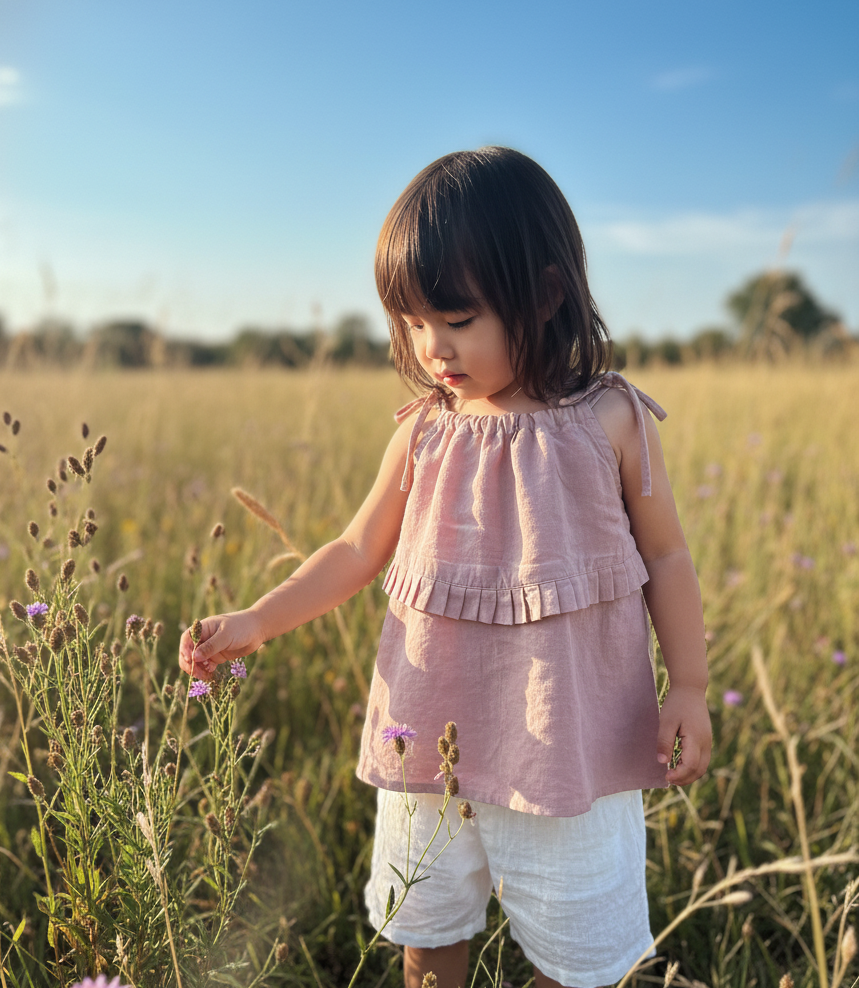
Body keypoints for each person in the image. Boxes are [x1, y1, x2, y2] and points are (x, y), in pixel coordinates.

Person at [178, 146, 712, 988]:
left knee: (580, 957)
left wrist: (687, 685)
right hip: (428, 735)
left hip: (569, 743)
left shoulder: (606, 419)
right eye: (412, 321)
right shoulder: (424, 431)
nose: (432, 346)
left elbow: (666, 555)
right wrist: (255, 618)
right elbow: (354, 550)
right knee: (425, 932)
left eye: (457, 320)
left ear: (543, 296)